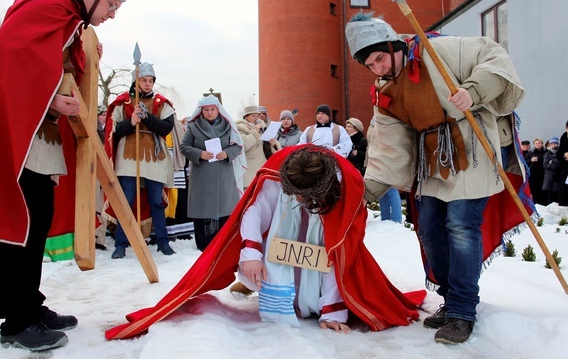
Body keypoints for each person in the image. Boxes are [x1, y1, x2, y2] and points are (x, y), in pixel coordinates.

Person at [0, 0, 131, 351]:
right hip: (24, 134)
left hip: (42, 135)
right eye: (111, 6)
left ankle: (31, 306)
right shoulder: (48, 7)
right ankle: (15, 322)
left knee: (35, 221)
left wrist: (86, 55)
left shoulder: (69, 19)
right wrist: (52, 99)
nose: (112, 14)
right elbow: (10, 58)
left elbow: (55, 65)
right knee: (19, 222)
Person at [105, 145, 423, 340]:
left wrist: (334, 313)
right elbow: (255, 211)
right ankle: (265, 293)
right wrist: (251, 253)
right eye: (293, 192)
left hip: (319, 242)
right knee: (273, 279)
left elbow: (341, 253)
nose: (298, 198)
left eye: (304, 195)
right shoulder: (277, 175)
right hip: (281, 243)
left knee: (328, 269)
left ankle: (321, 306)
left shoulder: (345, 187)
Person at [344, 12, 528, 344]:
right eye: (370, 65)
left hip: (472, 148)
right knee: (429, 229)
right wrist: (364, 192)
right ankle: (449, 297)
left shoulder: (440, 50)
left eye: (380, 58)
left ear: (394, 45)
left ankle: (462, 310)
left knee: (460, 226)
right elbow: (389, 146)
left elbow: (493, 55)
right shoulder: (385, 91)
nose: (378, 68)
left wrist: (473, 91)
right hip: (430, 161)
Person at [105, 62, 176, 258]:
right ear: (136, 81)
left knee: (156, 200)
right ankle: (121, 243)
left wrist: (147, 117)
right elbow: (114, 130)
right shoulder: (125, 102)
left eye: (150, 80)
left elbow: (165, 128)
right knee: (126, 199)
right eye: (144, 80)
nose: (147, 83)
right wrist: (132, 122)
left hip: (154, 156)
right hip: (128, 156)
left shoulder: (162, 103)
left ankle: (163, 242)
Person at [179, 95, 245, 251]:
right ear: (201, 111)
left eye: (212, 109)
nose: (209, 113)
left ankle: (223, 242)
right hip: (202, 175)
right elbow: (184, 147)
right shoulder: (193, 126)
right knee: (203, 209)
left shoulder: (229, 126)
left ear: (218, 110)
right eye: (206, 110)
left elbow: (238, 146)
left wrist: (227, 153)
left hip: (223, 174)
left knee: (225, 208)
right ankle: (204, 243)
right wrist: (200, 154)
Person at [236, 105, 270, 189]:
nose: (256, 118)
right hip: (250, 167)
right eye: (253, 116)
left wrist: (272, 142)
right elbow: (244, 145)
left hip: (261, 164)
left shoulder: (262, 127)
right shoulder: (241, 128)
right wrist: (255, 131)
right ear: (246, 117)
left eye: (257, 115)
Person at [95, 105, 109, 251]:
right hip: (93, 171)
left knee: (101, 204)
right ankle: (93, 236)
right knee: (94, 205)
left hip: (104, 172)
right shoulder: (95, 131)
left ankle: (100, 237)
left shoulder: (106, 132)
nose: (104, 117)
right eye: (102, 114)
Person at [542, 137, 562, 205]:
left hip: (558, 177)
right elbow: (545, 165)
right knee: (550, 195)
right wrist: (555, 165)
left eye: (555, 143)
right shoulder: (547, 154)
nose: (554, 145)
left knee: (558, 194)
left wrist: (552, 161)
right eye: (552, 144)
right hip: (549, 177)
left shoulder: (560, 153)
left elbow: (561, 163)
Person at [526, 138, 546, 205]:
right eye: (536, 143)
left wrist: (539, 159)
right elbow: (525, 161)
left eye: (539, 143)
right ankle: (535, 203)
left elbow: (545, 159)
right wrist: (531, 160)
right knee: (534, 189)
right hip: (533, 174)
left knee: (542, 189)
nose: (538, 145)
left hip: (543, 173)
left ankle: (543, 203)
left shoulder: (545, 151)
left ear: (542, 144)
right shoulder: (531, 152)